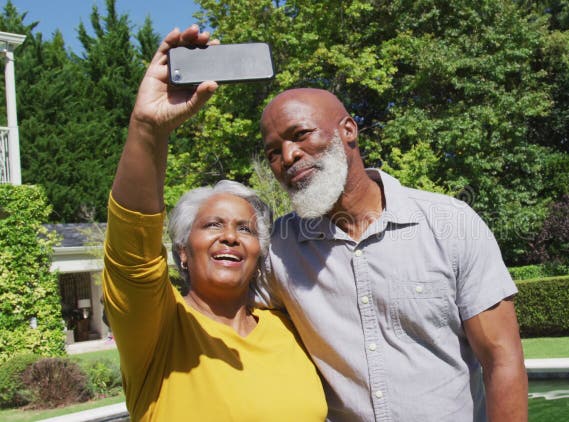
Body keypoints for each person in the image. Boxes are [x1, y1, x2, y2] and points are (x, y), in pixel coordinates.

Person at [260, 88, 529, 421]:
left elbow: (502, 359)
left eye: (300, 135)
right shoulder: (277, 250)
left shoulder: (450, 223)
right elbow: (204, 310)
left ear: (348, 130)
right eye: (273, 152)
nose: (287, 157)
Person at [102, 27, 326, 421]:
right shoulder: (159, 330)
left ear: (260, 253)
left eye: (245, 228)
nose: (230, 237)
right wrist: (147, 129)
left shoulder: (290, 327)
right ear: (183, 252)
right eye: (212, 226)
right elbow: (131, 253)